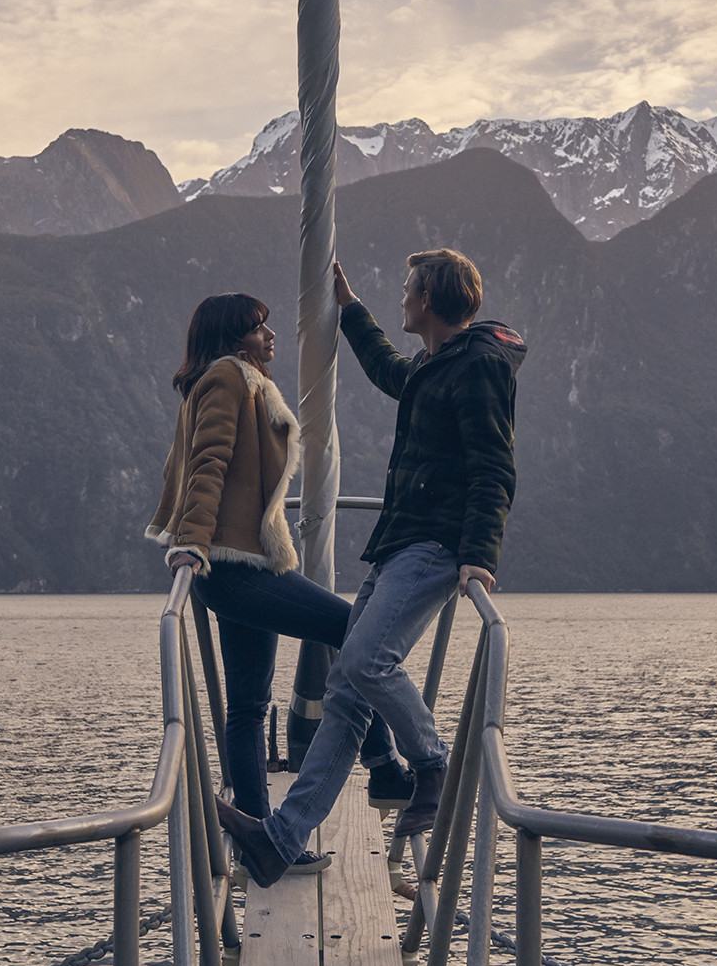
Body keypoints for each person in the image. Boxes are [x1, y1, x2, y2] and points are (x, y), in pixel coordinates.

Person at [216, 250, 526, 888]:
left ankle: (431, 764)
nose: (402, 296)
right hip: (398, 541)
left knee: (363, 662)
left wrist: (478, 556)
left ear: (432, 298)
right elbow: (388, 370)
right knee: (346, 698)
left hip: (436, 546)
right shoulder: (433, 364)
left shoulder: (481, 367)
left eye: (409, 288)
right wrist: (349, 309)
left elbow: (495, 466)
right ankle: (279, 842)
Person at [147, 293, 414, 877]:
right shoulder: (227, 378)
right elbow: (207, 463)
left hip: (237, 566)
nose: (270, 336)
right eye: (258, 326)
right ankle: (384, 761)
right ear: (233, 337)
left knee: (247, 706)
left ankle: (261, 841)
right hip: (236, 567)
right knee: (354, 629)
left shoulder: (229, 380)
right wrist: (191, 541)